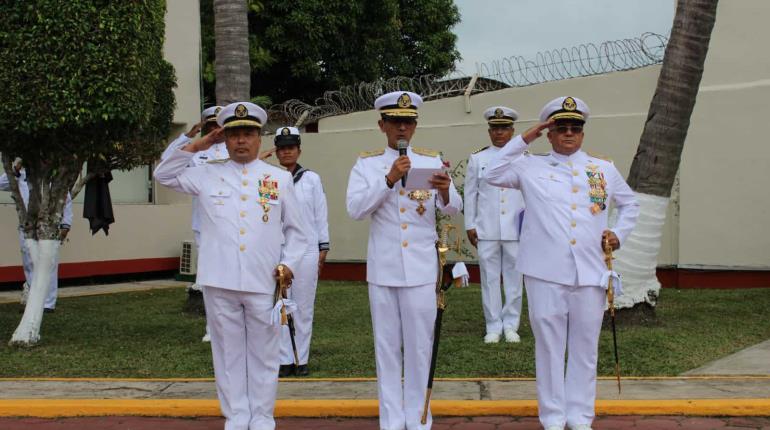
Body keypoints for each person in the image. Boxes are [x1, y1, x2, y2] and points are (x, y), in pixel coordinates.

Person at [483, 96, 639, 430]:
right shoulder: (528, 165)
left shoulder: (603, 169)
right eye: (560, 128)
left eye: (575, 128)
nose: (569, 133)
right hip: (544, 272)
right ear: (550, 134)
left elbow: (630, 205)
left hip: (590, 271)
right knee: (550, 350)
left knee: (585, 350)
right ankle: (553, 419)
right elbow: (491, 172)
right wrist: (525, 138)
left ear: (582, 133)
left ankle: (581, 417)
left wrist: (618, 233)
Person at [154, 101, 308, 430]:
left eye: (248, 133)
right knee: (227, 355)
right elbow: (162, 174)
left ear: (259, 137)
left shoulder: (277, 179)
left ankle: (263, 418)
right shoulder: (206, 172)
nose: (241, 140)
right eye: (234, 134)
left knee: (265, 355)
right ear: (224, 137)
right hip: (219, 278)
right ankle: (237, 418)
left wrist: (289, 265)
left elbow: (298, 232)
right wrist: (199, 144)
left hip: (263, 280)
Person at [346, 91, 462, 430]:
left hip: (421, 268)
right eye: (395, 121)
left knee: (419, 347)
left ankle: (419, 418)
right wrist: (388, 179)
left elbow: (453, 206)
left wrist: (443, 189)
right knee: (386, 349)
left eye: (407, 122)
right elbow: (355, 209)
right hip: (383, 268)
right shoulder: (366, 164)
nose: (401, 127)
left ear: (415, 126)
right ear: (382, 125)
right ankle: (392, 420)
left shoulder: (431, 159)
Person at [161, 106, 229, 342]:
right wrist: (188, 137)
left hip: (233, 226)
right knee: (210, 281)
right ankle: (212, 329)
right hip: (205, 226)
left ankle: (233, 327)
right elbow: (167, 162)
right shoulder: (198, 152)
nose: (216, 130)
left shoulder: (234, 147)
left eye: (219, 125)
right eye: (211, 126)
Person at [464, 106, 526, 344]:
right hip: (486, 228)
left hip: (515, 229)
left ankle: (511, 325)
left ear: (512, 131)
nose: (499, 133)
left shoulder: (524, 158)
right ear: (489, 131)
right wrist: (470, 224)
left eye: (504, 128)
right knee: (489, 279)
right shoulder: (478, 159)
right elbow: (470, 194)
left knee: (514, 279)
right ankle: (493, 325)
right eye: (495, 128)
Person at [273, 126, 330, 377]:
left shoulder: (311, 179)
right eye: (282, 149)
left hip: (307, 249)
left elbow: (321, 215)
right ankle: (284, 359)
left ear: (298, 150)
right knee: (281, 306)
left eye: (291, 148)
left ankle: (301, 359)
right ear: (276, 152)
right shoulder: (270, 179)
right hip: (279, 249)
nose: (287, 152)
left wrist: (323, 247)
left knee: (304, 306)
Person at [1, 159, 72, 312]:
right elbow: (2, 184)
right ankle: (34, 300)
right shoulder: (21, 175)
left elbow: (65, 200)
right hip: (27, 226)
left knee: (49, 263)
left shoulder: (54, 177)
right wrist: (15, 169)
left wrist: (66, 224)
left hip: (49, 225)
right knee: (30, 263)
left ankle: (48, 303)